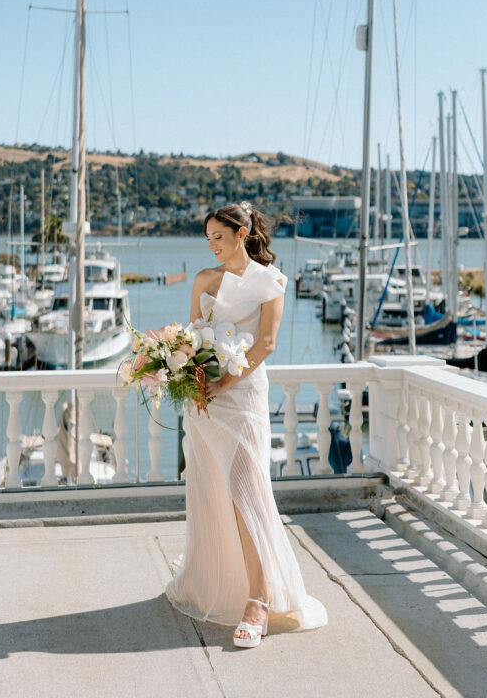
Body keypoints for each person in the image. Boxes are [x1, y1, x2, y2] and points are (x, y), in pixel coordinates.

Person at [165, 202, 327, 647]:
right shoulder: (203, 279)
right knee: (209, 490)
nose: (213, 245)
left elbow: (267, 343)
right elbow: (193, 337)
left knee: (245, 493)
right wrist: (188, 375)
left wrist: (226, 383)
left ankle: (259, 597)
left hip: (243, 396)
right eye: (208, 239)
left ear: (242, 233)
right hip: (204, 401)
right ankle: (212, 580)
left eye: (219, 236)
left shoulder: (269, 281)